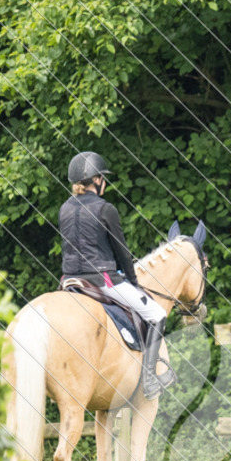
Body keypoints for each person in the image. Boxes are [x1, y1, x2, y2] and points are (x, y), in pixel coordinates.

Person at [59, 151, 173, 400]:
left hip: (69, 281)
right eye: (103, 178)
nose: (105, 183)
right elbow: (122, 252)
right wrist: (134, 283)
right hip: (103, 280)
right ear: (97, 180)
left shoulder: (64, 209)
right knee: (157, 314)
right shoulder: (105, 209)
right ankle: (150, 379)